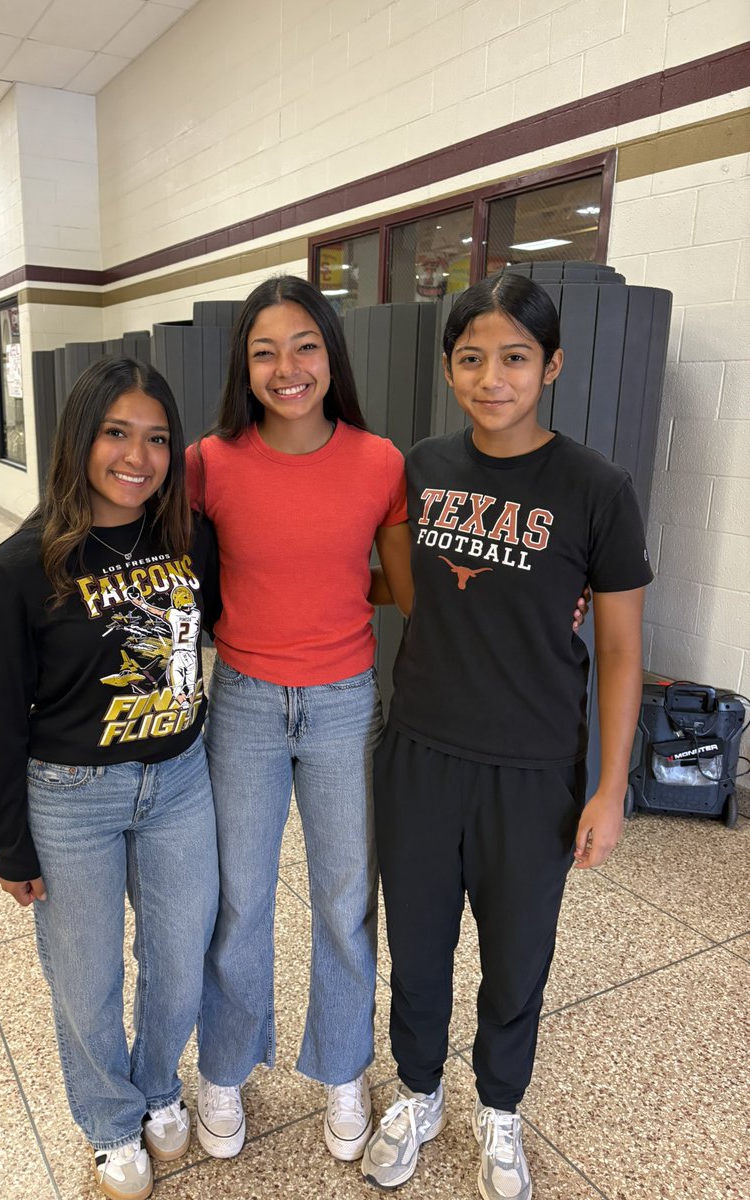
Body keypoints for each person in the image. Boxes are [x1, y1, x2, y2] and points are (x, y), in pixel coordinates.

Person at [361, 272, 652, 1200]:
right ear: (450, 369)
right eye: (473, 358)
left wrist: (609, 788)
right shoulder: (422, 467)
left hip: (533, 768)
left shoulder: (597, 489)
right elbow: (390, 582)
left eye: (515, 358)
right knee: (417, 943)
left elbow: (618, 647)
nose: (493, 377)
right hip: (420, 752)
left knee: (518, 952)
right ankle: (417, 1093)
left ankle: (499, 1108)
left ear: (552, 365)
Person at [0, 358, 221, 1200]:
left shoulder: (190, 540)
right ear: (80, 438)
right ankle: (111, 1121)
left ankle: (158, 1088)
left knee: (179, 959)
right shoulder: (21, 566)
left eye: (157, 438)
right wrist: (12, 845)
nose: (138, 456)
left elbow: (220, 629)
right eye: (117, 432)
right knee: (86, 979)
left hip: (180, 784)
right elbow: (3, 718)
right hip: (71, 800)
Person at [187, 275, 413, 1164]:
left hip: (343, 705)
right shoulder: (208, 461)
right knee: (236, 900)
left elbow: (402, 586)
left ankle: (345, 1067)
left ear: (331, 354)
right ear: (244, 366)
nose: (288, 368)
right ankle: (227, 1066)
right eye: (265, 351)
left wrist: (542, 602)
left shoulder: (378, 461)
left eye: (305, 346)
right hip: (241, 699)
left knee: (347, 902)